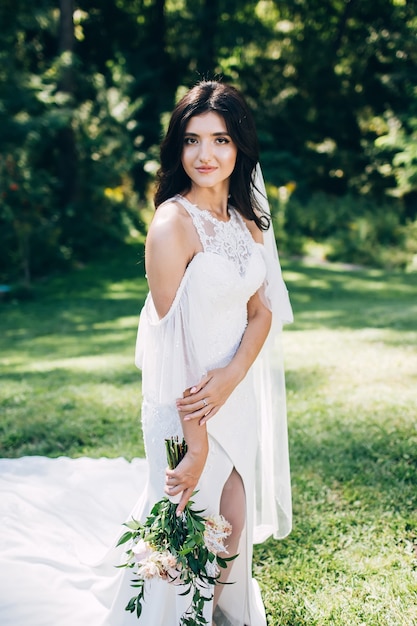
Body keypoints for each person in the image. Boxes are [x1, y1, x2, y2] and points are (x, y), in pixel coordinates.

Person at [104, 80, 293, 626]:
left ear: (240, 149)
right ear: (177, 148)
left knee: (231, 522)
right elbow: (173, 343)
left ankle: (220, 616)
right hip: (183, 402)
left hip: (231, 393)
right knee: (190, 527)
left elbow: (262, 312)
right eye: (192, 140)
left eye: (220, 140)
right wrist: (196, 442)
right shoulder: (172, 225)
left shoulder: (248, 222)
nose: (205, 155)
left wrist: (232, 377)